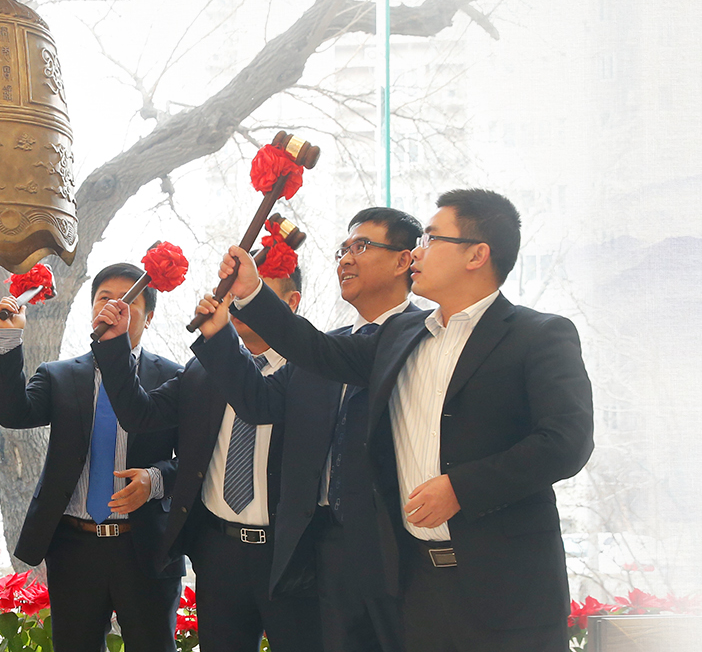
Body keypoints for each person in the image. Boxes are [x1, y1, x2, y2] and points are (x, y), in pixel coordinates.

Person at [212, 189, 594, 652]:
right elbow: (318, 351)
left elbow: (566, 441)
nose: (417, 252)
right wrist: (252, 291)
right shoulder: (400, 334)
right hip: (415, 584)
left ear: (477, 255)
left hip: (506, 586)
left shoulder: (540, 334)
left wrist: (460, 488)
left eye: (431, 239)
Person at [192, 207, 427, 652]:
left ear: (404, 260)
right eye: (343, 249)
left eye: (362, 246)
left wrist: (254, 293)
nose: (346, 259)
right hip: (323, 547)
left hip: (395, 546)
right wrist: (220, 336)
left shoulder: (423, 335)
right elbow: (258, 402)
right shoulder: (330, 345)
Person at [97, 266, 328, 652]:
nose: (236, 303)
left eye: (252, 293)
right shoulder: (205, 369)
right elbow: (140, 414)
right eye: (234, 294)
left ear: (291, 302)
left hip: (291, 555)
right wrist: (115, 345)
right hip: (218, 551)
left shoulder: (315, 369)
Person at [0, 263, 185, 652]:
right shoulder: (60, 376)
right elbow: (12, 414)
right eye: (104, 298)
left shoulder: (173, 377)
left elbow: (196, 460)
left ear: (148, 317)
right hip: (74, 547)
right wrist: (9, 337)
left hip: (145, 546)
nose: (113, 307)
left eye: (127, 301)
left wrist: (155, 480)